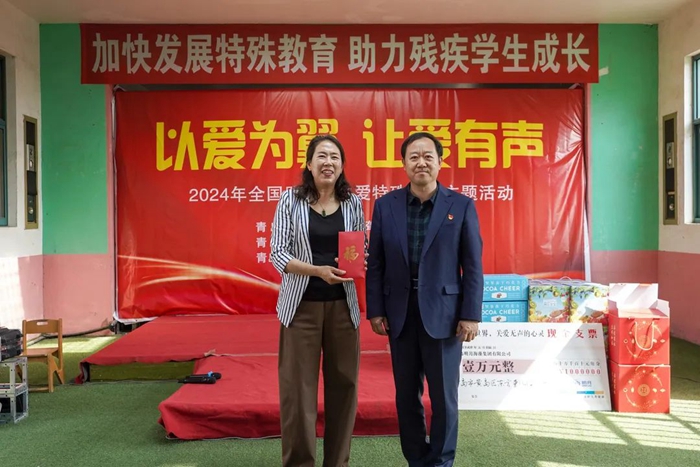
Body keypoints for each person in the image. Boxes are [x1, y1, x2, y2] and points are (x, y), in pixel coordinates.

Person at [366, 132, 484, 467]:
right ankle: (416, 460)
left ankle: (442, 461)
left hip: (445, 315)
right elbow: (376, 263)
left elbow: (473, 265)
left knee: (444, 397)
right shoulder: (386, 206)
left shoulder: (460, 205)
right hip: (399, 314)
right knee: (406, 396)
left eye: (428, 156)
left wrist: (471, 314)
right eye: (414, 156)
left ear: (440, 162)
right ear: (404, 163)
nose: (421, 162)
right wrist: (375, 309)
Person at [270, 134, 367, 467]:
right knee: (298, 391)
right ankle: (300, 463)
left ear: (342, 166)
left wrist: (360, 261)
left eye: (335, 157)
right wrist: (317, 271)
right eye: (322, 156)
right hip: (301, 307)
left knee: (345, 386)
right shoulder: (290, 200)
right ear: (309, 164)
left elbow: (361, 247)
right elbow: (278, 254)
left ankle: (338, 462)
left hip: (343, 306)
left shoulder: (353, 203)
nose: (329, 163)